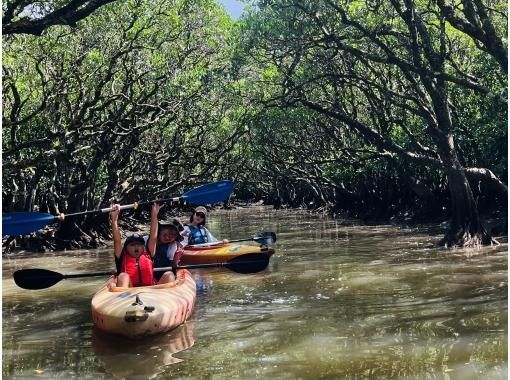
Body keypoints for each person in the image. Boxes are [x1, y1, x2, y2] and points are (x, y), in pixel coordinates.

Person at [110, 203, 174, 288]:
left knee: (169, 274)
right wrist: (114, 219)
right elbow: (117, 241)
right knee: (123, 276)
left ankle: (168, 299)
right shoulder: (122, 256)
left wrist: (154, 214)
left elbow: (153, 237)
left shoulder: (148, 253)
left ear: (143, 247)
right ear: (126, 248)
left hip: (152, 291)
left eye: (139, 245)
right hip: (129, 291)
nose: (136, 247)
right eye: (132, 245)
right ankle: (123, 298)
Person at [150, 203, 185, 281]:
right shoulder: (145, 240)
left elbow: (173, 267)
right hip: (147, 277)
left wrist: (176, 257)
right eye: (169, 231)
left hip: (163, 278)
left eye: (174, 235)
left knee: (169, 275)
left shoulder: (172, 246)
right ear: (161, 228)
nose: (169, 236)